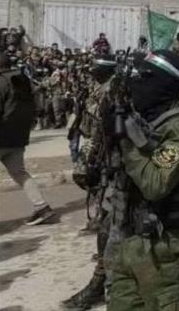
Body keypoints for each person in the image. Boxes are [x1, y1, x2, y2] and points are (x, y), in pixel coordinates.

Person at [103, 50, 179, 309]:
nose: (135, 85)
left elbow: (155, 184)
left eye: (142, 78)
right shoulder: (150, 121)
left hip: (162, 246)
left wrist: (126, 141)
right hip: (133, 240)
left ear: (160, 84)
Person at [61, 55, 117, 310]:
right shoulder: (98, 89)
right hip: (104, 158)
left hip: (113, 162)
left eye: (96, 68)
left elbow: (104, 129)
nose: (92, 71)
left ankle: (103, 282)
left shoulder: (113, 91)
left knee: (112, 224)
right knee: (106, 222)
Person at [0, 52, 57, 226]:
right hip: (18, 137)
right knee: (20, 173)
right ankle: (42, 207)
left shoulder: (0, 82)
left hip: (0, 136)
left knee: (19, 173)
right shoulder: (23, 80)